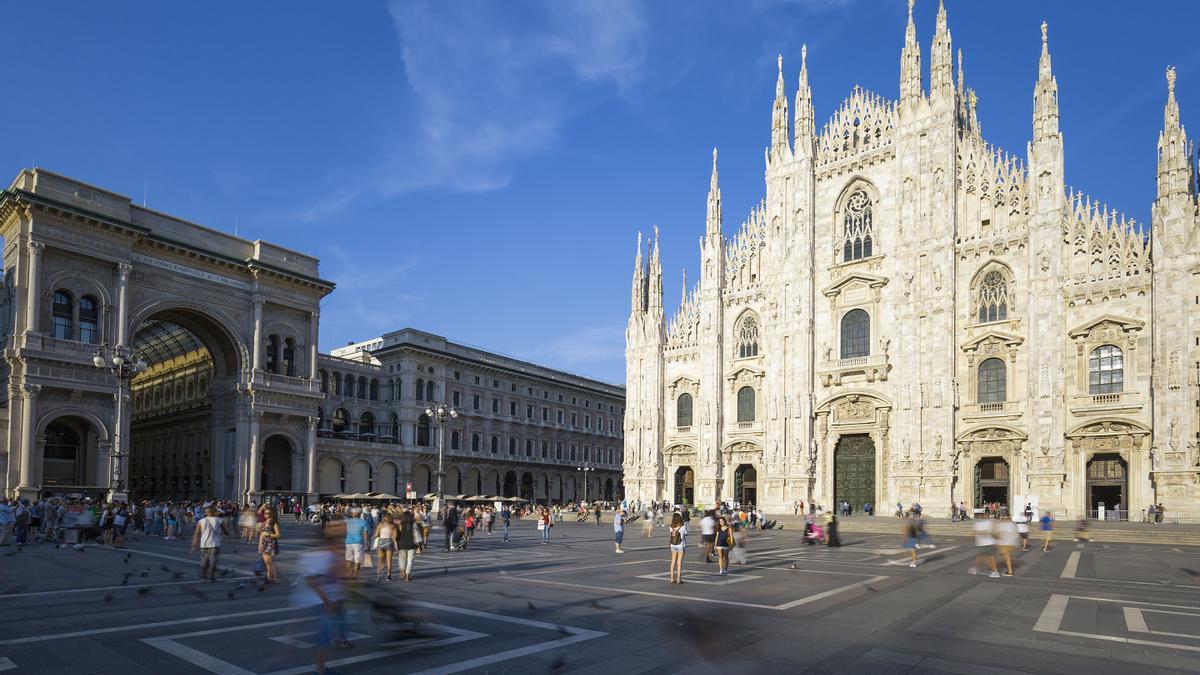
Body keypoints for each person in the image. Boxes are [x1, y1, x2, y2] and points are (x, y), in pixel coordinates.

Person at [292, 523, 351, 675]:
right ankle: (320, 671)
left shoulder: (312, 554)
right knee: (323, 637)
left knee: (322, 637)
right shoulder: (322, 555)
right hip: (318, 602)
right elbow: (313, 582)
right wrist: (327, 601)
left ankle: (320, 668)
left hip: (313, 602)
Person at [190, 506, 228, 582]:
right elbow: (226, 530)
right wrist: (226, 535)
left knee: (204, 560)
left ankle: (203, 575)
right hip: (214, 543)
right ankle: (212, 577)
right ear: (214, 512)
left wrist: (194, 545)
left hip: (204, 544)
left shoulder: (201, 521)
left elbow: (196, 534)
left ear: (206, 513)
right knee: (213, 561)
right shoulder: (219, 520)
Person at [396, 510, 423, 582]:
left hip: (401, 545)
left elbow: (396, 536)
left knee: (402, 560)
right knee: (410, 560)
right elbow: (417, 535)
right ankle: (408, 575)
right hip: (412, 544)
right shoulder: (414, 524)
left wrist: (396, 545)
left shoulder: (400, 525)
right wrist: (420, 545)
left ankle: (402, 573)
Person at [343, 507, 369, 579]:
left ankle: (349, 574)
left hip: (348, 542)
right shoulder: (363, 522)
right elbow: (365, 533)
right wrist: (366, 544)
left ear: (352, 514)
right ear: (360, 514)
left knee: (349, 559)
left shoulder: (347, 521)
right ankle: (354, 576)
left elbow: (344, 530)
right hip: (358, 543)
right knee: (358, 560)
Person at [259, 508, 282, 583]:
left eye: (268, 513)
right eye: (265, 513)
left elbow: (278, 535)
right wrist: (260, 544)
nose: (265, 514)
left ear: (271, 514)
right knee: (266, 562)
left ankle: (274, 578)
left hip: (271, 543)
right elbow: (261, 534)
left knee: (270, 562)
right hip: (264, 543)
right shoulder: (264, 522)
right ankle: (269, 577)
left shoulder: (274, 523)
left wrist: (268, 534)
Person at [373, 514, 397, 582]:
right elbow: (395, 536)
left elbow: (375, 535)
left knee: (380, 560)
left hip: (381, 542)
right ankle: (388, 576)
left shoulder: (380, 525)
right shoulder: (393, 526)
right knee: (389, 560)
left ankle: (378, 575)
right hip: (389, 541)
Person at [668, 512, 687, 584]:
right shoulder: (683, 527)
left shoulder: (671, 527)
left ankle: (672, 578)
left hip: (673, 545)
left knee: (673, 561)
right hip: (681, 545)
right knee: (679, 562)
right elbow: (686, 533)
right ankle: (679, 578)